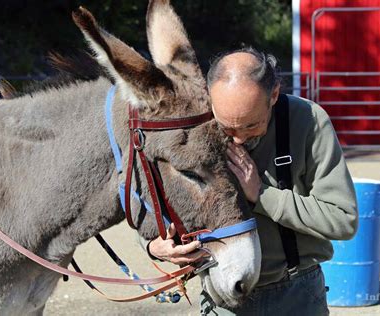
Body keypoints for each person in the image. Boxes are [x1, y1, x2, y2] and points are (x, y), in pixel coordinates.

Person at [147, 47, 358, 315]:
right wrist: (153, 245)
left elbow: (343, 220)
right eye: (227, 126)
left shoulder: (309, 121)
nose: (237, 139)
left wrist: (262, 194)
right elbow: (153, 201)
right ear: (210, 98)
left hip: (296, 295)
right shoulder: (193, 125)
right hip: (221, 297)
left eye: (250, 125)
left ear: (274, 95)